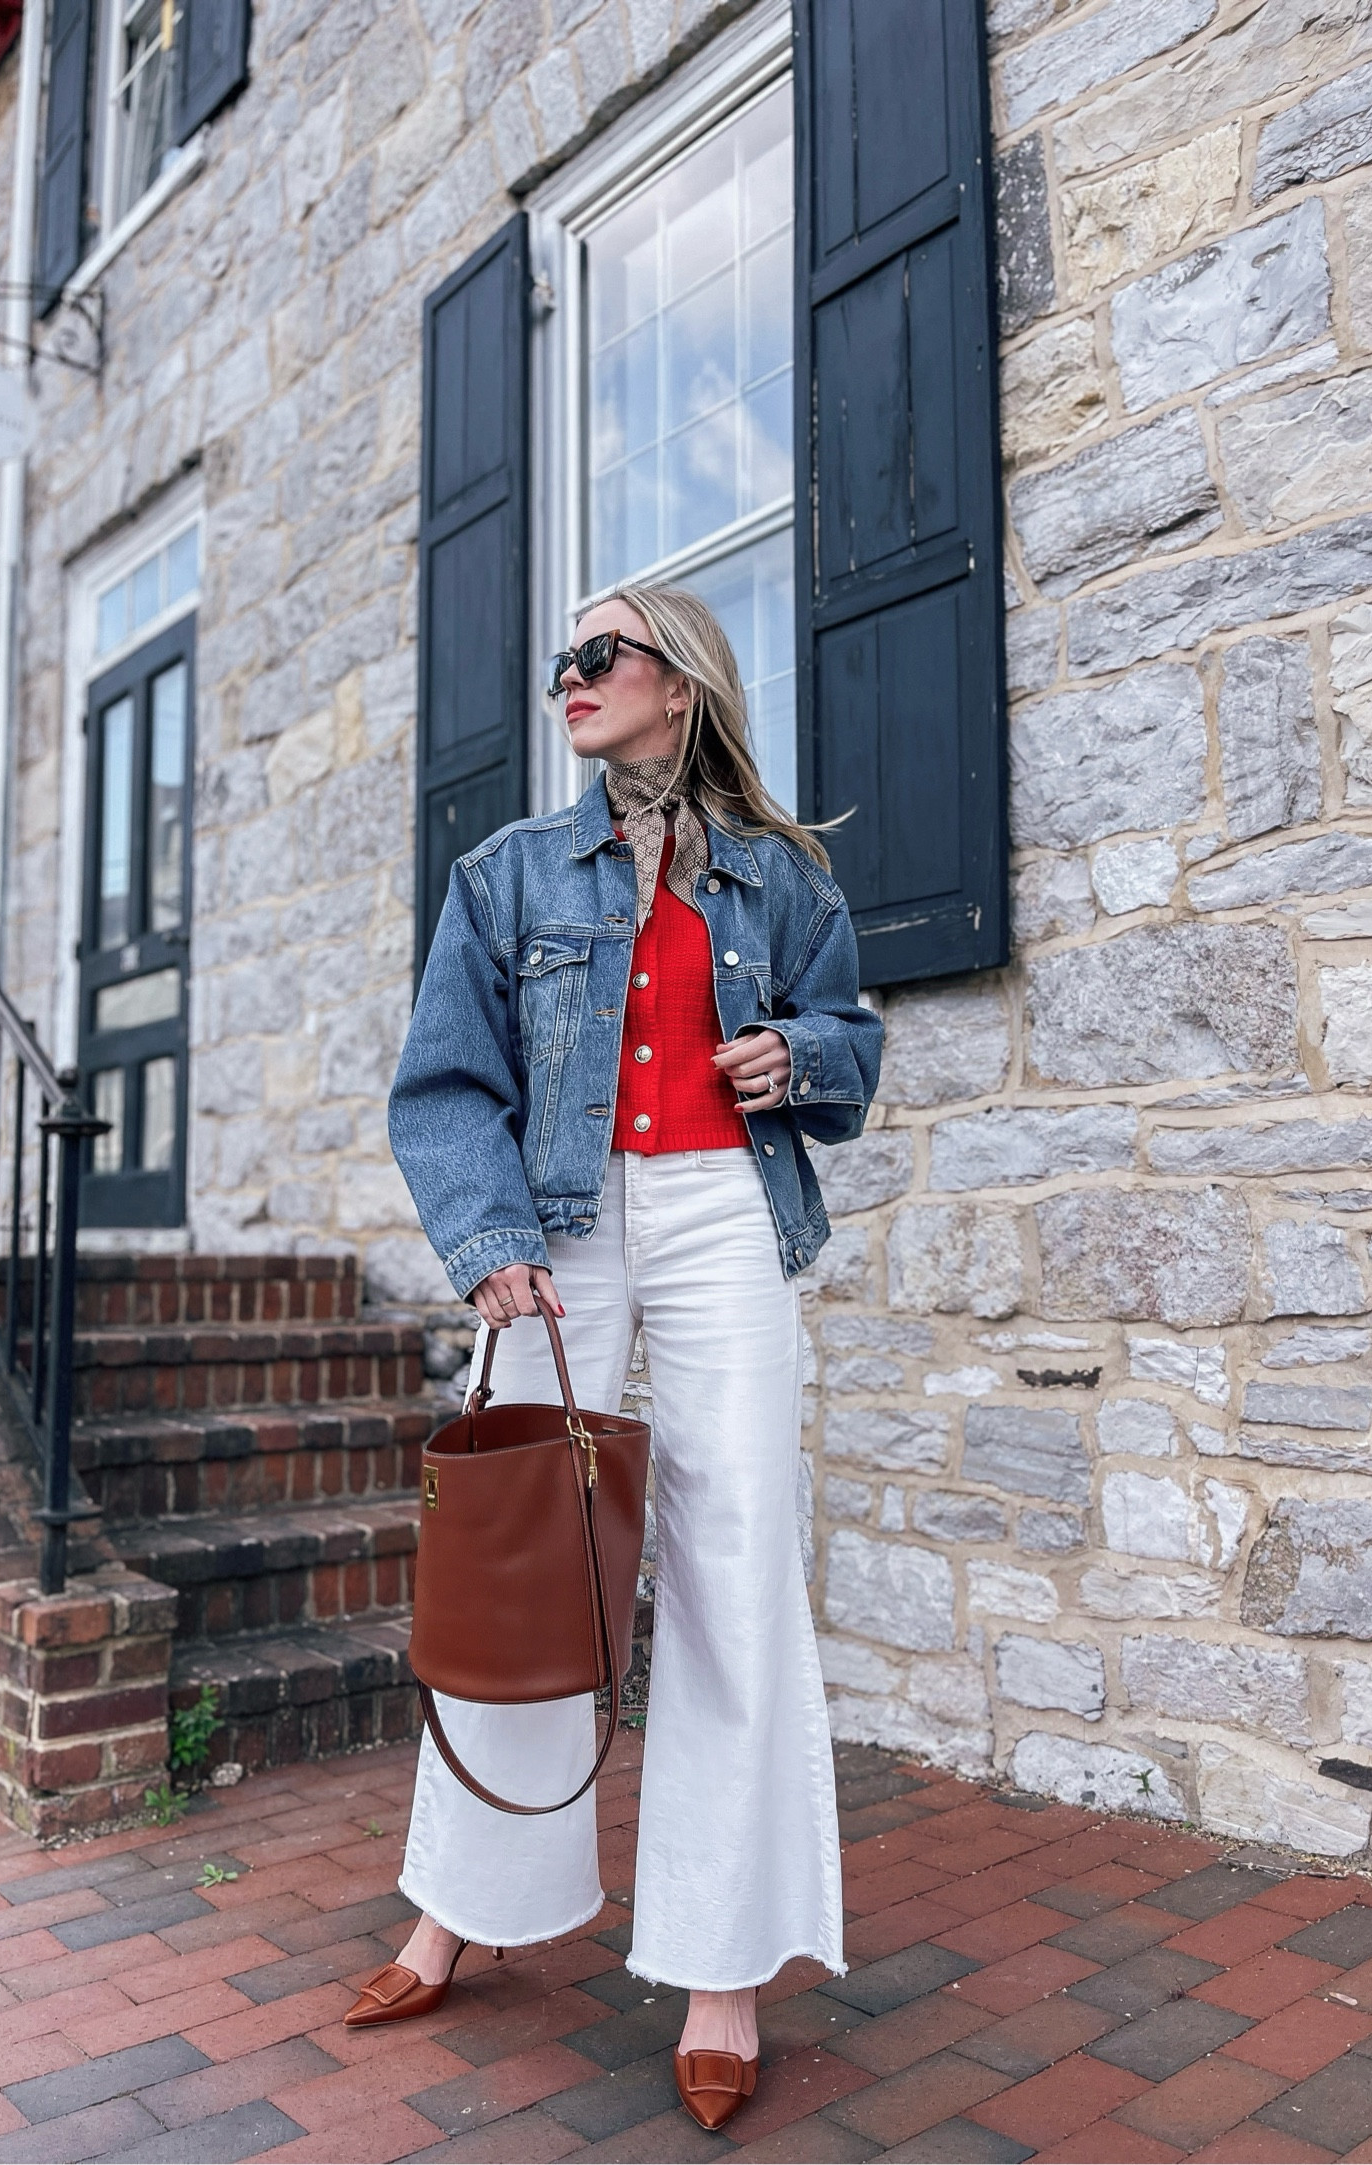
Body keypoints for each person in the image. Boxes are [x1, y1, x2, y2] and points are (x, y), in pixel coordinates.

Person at [355, 583, 883, 2130]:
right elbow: (444, 1083)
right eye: (559, 664)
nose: (567, 681)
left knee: (732, 1553)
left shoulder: (780, 875)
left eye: (599, 657)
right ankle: (459, 1899)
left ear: (682, 679)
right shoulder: (507, 870)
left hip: (727, 1210)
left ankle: (720, 1965)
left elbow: (849, 1038)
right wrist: (486, 1235)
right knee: (519, 1564)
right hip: (557, 1225)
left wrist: (801, 1056)